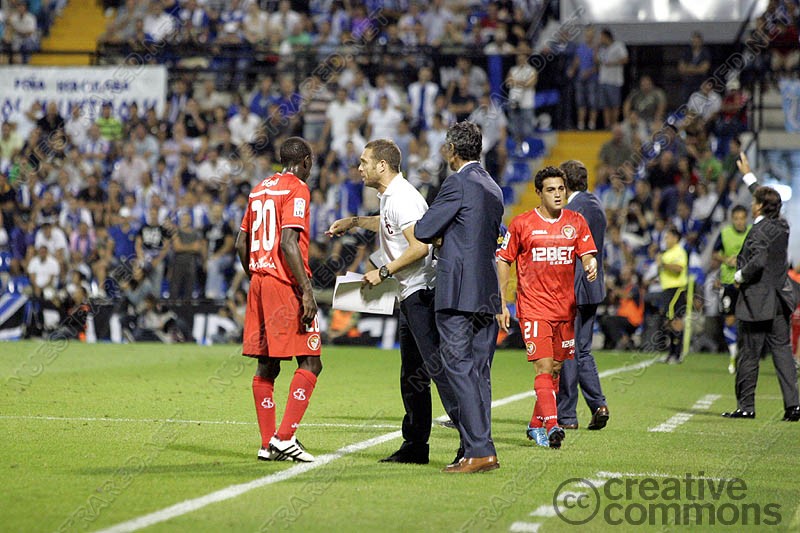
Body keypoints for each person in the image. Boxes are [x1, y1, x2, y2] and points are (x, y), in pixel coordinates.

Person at [326, 139, 460, 465]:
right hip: (409, 293)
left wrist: (383, 271)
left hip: (421, 293)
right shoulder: (391, 198)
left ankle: (473, 443)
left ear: (382, 166)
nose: (359, 168)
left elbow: (420, 246)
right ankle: (415, 446)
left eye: (364, 162)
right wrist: (355, 222)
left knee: (438, 371)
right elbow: (389, 224)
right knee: (413, 375)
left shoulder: (403, 198)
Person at [414, 121, 504, 474]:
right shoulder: (493, 186)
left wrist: (442, 233)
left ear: (452, 150)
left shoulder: (457, 183)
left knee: (459, 369)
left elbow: (423, 229)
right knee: (479, 372)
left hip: (457, 291)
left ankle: (479, 450)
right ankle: (479, 448)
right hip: (486, 291)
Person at [497, 166, 598, 449]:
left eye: (561, 189)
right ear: (539, 193)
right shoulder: (522, 223)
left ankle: (534, 426)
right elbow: (504, 259)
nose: (557, 194)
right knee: (542, 366)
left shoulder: (576, 221)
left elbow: (588, 254)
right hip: (533, 308)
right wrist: (502, 301)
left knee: (555, 369)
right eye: (551, 189)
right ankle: (553, 426)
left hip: (565, 309)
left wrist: (590, 265)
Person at [235, 137, 322, 462]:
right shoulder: (297, 188)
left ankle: (267, 443)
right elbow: (288, 242)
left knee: (268, 364)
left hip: (258, 281)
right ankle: (284, 438)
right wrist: (306, 291)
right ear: (306, 161)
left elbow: (241, 243)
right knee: (311, 360)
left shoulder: (259, 189)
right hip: (284, 284)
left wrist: (256, 275)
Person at [722, 154, 799, 421]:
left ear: (759, 208)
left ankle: (746, 406)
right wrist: (749, 176)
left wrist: (740, 275)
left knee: (749, 354)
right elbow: (768, 200)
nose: (751, 204)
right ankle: (793, 406)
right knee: (783, 352)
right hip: (779, 300)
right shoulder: (781, 225)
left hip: (757, 302)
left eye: (755, 202)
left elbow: (758, 260)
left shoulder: (758, 232)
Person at [555, 160, 610, 431]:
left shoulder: (573, 210)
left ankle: (566, 415)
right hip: (592, 286)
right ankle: (598, 405)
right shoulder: (596, 204)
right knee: (582, 349)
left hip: (574, 288)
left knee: (568, 350)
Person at [712, 205, 750, 374]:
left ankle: (748, 355)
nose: (739, 221)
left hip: (748, 282)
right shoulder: (725, 233)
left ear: (746, 218)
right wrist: (725, 259)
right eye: (736, 218)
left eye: (742, 218)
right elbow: (714, 253)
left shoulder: (753, 232)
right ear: (732, 219)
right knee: (729, 319)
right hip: (728, 282)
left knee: (749, 320)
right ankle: (733, 355)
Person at [657, 225, 689, 364]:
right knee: (669, 321)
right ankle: (671, 353)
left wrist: (663, 264)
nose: (666, 240)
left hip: (676, 289)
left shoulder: (679, 252)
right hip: (667, 289)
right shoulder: (667, 253)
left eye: (668, 237)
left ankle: (677, 354)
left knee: (676, 321)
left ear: (676, 238)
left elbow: (679, 268)